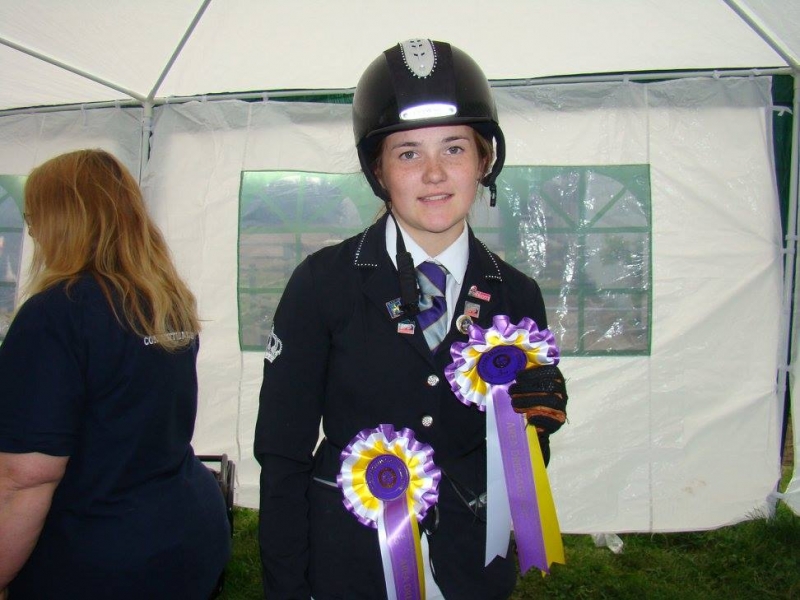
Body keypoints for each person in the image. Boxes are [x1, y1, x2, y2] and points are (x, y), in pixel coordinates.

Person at [255, 39, 567, 599]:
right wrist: (287, 588)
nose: (434, 174)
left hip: (471, 564)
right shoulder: (321, 284)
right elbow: (282, 455)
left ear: (484, 161)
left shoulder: (516, 295)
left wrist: (535, 423)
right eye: (407, 154)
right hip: (350, 564)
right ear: (378, 169)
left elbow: (520, 462)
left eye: (454, 148)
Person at [0, 149, 231, 599]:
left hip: (101, 554)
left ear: (64, 220)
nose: (33, 231)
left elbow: (25, 478)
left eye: (34, 218)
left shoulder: (57, 312)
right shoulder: (164, 300)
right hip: (185, 528)